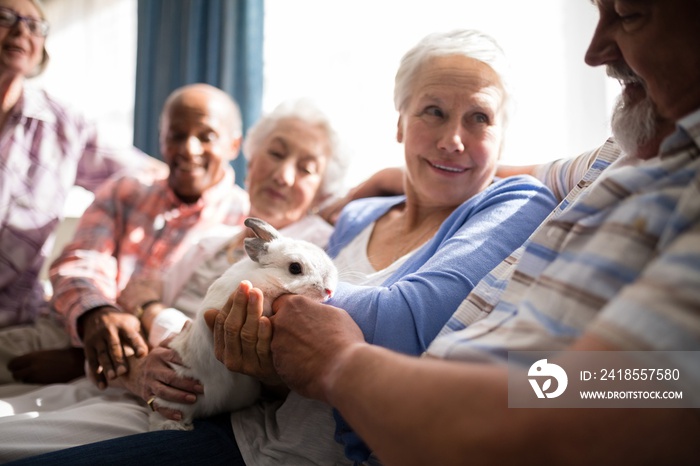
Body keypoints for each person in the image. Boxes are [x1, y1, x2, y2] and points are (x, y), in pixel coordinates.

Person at [3, 29, 558, 464]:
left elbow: (393, 328)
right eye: (432, 111)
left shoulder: (510, 204)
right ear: (400, 123)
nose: (452, 138)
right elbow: (287, 357)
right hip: (246, 429)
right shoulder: (358, 214)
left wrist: (159, 312)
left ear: (503, 136)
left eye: (479, 118)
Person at [0, 97, 349, 460]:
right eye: (275, 155)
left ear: (323, 189)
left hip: (181, 397)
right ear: (250, 158)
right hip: (130, 376)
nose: (284, 175)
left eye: (307, 169)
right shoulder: (212, 236)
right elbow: (131, 305)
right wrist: (109, 358)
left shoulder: (313, 256)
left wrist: (149, 309)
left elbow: (174, 322)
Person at [0, 82, 249, 385]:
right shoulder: (126, 190)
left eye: (206, 136)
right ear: (161, 138)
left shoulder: (243, 223)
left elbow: (204, 328)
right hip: (71, 325)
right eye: (177, 135)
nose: (188, 148)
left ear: (233, 145)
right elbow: (82, 260)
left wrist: (85, 362)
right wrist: (96, 312)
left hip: (147, 357)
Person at [0, 0, 158, 331]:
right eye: (5, 17)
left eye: (34, 26)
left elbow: (146, 178)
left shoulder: (62, 126)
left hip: (15, 323)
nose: (20, 31)